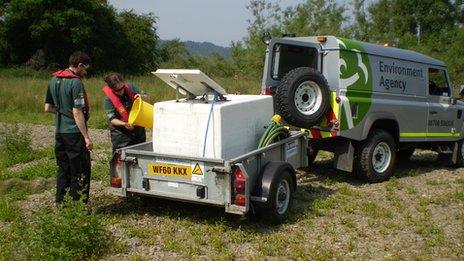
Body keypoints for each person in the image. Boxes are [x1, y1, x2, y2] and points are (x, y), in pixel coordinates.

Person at [44, 51, 92, 204]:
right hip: (73, 133)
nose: (85, 72)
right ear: (79, 65)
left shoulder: (54, 79)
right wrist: (86, 137)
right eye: (85, 69)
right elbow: (77, 111)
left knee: (63, 169)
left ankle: (61, 203)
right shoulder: (75, 82)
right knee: (80, 170)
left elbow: (48, 107)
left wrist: (62, 113)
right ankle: (78, 206)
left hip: (59, 132)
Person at [102, 72, 148, 153]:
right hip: (121, 134)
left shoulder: (131, 87)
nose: (121, 91)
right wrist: (124, 124)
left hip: (138, 130)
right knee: (122, 159)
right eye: (118, 90)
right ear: (111, 89)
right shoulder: (107, 100)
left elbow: (147, 97)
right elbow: (112, 119)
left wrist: (142, 96)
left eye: (122, 87)